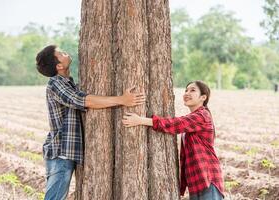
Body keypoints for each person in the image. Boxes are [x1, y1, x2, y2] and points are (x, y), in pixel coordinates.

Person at [36, 45, 145, 200]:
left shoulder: (68, 83)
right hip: (60, 153)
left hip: (65, 153)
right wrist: (122, 100)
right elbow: (84, 100)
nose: (66, 53)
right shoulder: (56, 84)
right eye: (61, 53)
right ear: (59, 66)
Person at [122, 80, 224, 200]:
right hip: (196, 182)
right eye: (186, 90)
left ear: (203, 97)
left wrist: (141, 120)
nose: (187, 93)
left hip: (208, 178)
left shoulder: (202, 116)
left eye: (192, 90)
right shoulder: (195, 118)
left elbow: (176, 124)